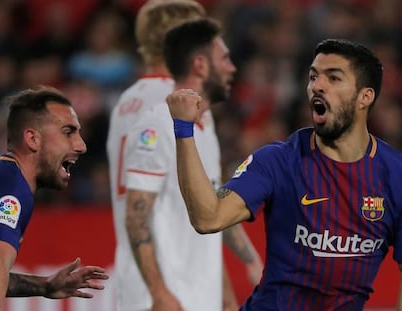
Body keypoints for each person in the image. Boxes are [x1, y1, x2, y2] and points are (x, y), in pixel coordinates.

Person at [166, 38, 402, 310]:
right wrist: (184, 130)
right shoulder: (278, 161)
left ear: (365, 97)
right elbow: (208, 218)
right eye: (313, 77)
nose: (317, 86)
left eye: (334, 78)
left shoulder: (394, 176)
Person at [106, 2, 262, 310]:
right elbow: (146, 209)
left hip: (161, 282)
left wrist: (225, 290)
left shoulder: (127, 101)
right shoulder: (173, 106)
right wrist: (159, 291)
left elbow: (202, 203)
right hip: (164, 287)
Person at [0, 86, 109, 311]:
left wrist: (44, 286)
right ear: (33, 139)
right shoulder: (12, 188)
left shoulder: (0, 178)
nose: (81, 145)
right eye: (68, 131)